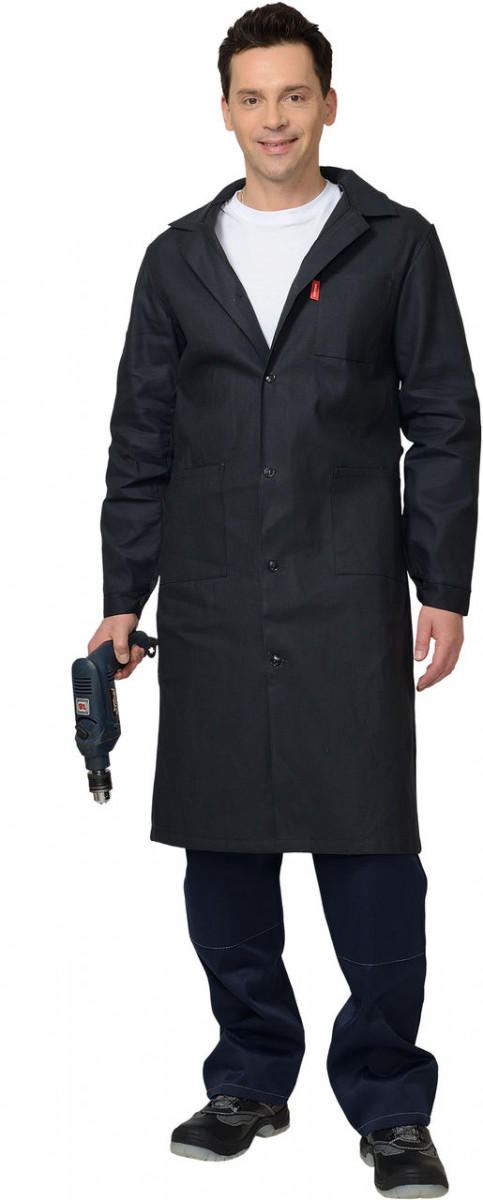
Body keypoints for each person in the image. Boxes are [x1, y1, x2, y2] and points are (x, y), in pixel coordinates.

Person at [88, 4, 480, 1194]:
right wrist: (122, 595)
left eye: (294, 95)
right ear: (224, 111)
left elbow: (445, 423)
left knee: (371, 856)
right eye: (252, 98)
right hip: (212, 602)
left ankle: (390, 1107)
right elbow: (142, 436)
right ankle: (250, 1079)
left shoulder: (394, 245)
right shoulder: (176, 259)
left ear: (329, 104)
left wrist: (442, 584)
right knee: (225, 856)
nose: (274, 119)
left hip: (346, 596)